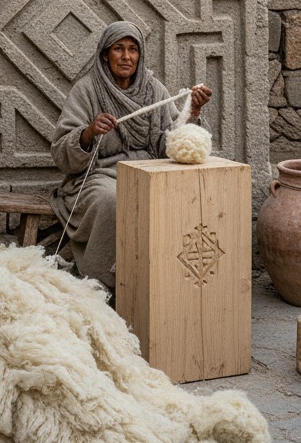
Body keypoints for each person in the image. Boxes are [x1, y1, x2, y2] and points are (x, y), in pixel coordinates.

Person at [50, 21, 212, 292]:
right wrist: (88, 132)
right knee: (112, 200)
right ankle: (108, 283)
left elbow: (171, 143)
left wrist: (192, 112)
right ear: (105, 54)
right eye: (118, 49)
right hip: (99, 175)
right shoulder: (87, 90)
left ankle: (166, 280)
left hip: (148, 170)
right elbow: (61, 149)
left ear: (140, 55)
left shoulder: (153, 89)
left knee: (181, 196)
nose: (126, 56)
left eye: (133, 49)